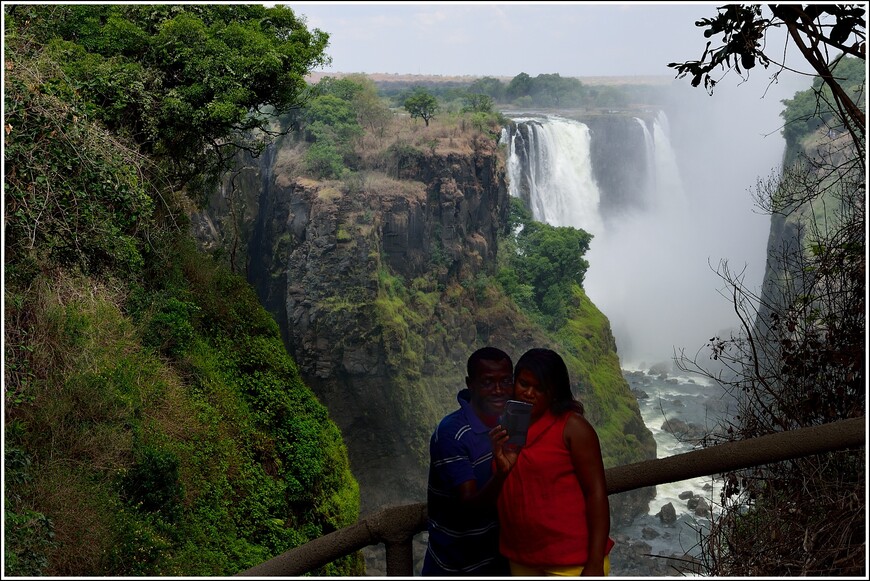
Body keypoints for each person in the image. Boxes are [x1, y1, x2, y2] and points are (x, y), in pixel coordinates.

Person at [490, 348, 614, 576]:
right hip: (522, 558)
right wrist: (501, 470)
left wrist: (594, 562)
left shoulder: (572, 428)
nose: (529, 393)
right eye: (524, 384)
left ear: (554, 391)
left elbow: (596, 493)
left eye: (539, 388)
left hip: (572, 561)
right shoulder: (504, 429)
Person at [421, 346, 514, 576]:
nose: (498, 389)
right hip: (456, 566)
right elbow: (470, 507)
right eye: (487, 382)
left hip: (499, 562)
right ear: (469, 384)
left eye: (505, 381)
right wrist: (501, 474)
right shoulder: (451, 433)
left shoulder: (508, 423)